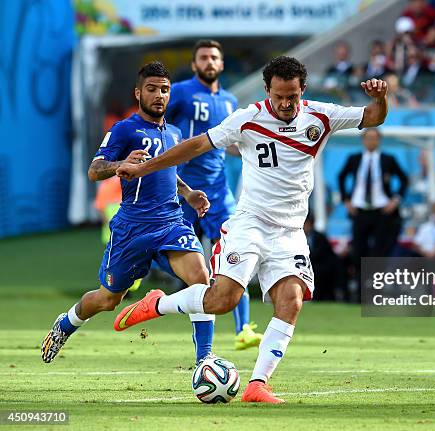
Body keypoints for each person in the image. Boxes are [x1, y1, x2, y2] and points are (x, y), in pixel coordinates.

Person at [114, 56, 388, 403]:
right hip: (250, 223)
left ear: (302, 90)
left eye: (292, 97)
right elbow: (197, 144)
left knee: (291, 301)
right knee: (222, 300)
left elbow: (373, 117)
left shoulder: (321, 115)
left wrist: (380, 98)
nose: (286, 104)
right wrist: (145, 169)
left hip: (289, 231)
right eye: (279, 97)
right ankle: (159, 304)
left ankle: (258, 385)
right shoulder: (248, 118)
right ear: (267, 90)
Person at [41, 62, 212, 365]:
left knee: (201, 279)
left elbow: (167, 172)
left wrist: (188, 193)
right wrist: (118, 165)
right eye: (152, 89)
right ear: (138, 92)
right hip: (133, 228)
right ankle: (66, 323)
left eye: (164, 89)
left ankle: (205, 360)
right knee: (108, 300)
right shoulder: (124, 129)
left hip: (171, 222)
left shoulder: (173, 133)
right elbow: (95, 170)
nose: (159, 95)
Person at [165, 39, 261, 351]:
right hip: (182, 188)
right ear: (195, 65)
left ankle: (243, 329)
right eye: (203, 58)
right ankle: (145, 270)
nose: (209, 62)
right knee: (174, 250)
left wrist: (251, 150)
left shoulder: (230, 100)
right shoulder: (180, 92)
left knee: (237, 251)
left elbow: (227, 141)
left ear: (221, 65)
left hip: (218, 190)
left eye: (214, 58)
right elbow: (159, 123)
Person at [338, 128, 408, 290]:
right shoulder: (354, 159)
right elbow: (341, 176)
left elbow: (404, 179)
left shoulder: (388, 159)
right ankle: (360, 290)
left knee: (379, 251)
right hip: (359, 210)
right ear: (363, 140)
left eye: (374, 138)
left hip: (381, 210)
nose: (371, 141)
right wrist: (346, 200)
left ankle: (376, 289)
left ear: (379, 140)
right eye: (368, 138)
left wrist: (395, 200)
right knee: (358, 251)